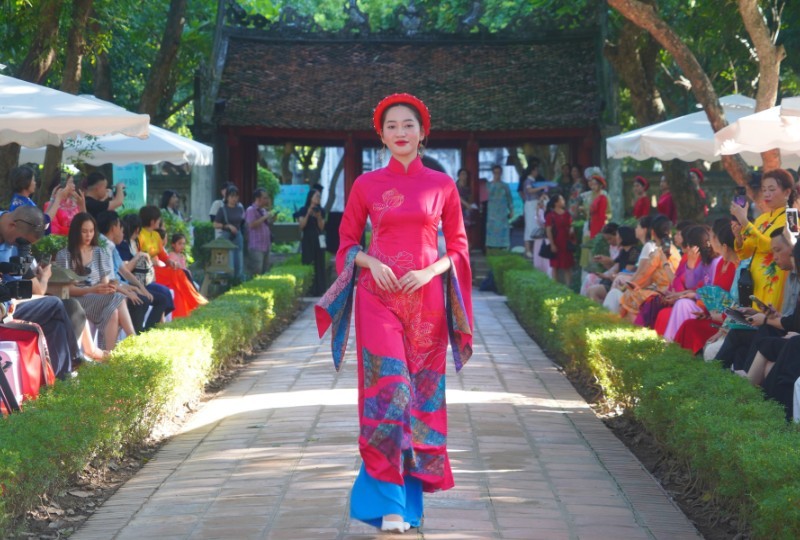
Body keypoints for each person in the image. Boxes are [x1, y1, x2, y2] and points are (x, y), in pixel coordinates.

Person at [315, 93, 473, 534]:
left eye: (408, 125)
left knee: (420, 400)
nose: (400, 132)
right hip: (377, 298)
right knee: (391, 393)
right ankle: (386, 503)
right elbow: (346, 244)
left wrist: (430, 271)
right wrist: (370, 262)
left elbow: (459, 249)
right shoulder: (365, 185)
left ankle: (408, 505)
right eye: (391, 126)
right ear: (381, 136)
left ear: (422, 133)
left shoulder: (442, 186)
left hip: (426, 305)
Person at [54, 213, 135, 351]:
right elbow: (67, 290)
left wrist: (109, 287)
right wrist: (91, 289)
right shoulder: (64, 255)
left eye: (91, 231)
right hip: (77, 300)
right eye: (84, 231)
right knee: (119, 298)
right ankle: (132, 338)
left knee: (113, 312)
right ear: (76, 231)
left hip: (98, 298)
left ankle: (108, 355)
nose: (88, 235)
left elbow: (104, 282)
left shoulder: (99, 252)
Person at [97, 211, 172, 332]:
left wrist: (140, 288)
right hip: (110, 288)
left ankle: (143, 332)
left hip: (119, 285)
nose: (122, 231)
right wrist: (130, 289)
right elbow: (109, 280)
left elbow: (125, 272)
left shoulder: (111, 246)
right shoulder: (103, 246)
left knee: (157, 298)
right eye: (120, 227)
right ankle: (138, 334)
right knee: (142, 300)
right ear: (113, 227)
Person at [730, 168, 793, 312]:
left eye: (772, 189)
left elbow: (772, 246)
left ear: (787, 192)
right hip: (754, 282)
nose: (766, 194)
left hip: (775, 280)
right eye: (764, 190)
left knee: (768, 320)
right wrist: (739, 238)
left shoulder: (792, 217)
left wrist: (745, 222)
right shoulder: (762, 218)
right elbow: (745, 253)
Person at [673, 219, 739, 353]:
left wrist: (719, 317)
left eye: (711, 237)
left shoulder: (735, 265)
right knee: (688, 324)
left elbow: (735, 302)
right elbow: (709, 294)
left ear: (720, 242)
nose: (709, 241)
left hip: (728, 321)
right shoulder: (721, 263)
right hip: (715, 317)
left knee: (690, 324)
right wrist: (707, 314)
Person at [138, 206, 207, 319]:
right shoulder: (140, 236)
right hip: (149, 272)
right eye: (158, 219)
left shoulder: (156, 235)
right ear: (152, 221)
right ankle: (196, 302)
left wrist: (170, 262)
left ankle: (183, 312)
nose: (160, 221)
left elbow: (162, 255)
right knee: (178, 274)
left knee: (177, 275)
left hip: (158, 269)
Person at [618, 215, 681, 322]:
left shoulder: (658, 252)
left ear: (652, 233)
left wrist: (626, 287)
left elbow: (643, 275)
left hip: (664, 294)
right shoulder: (674, 250)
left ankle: (632, 327)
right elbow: (647, 278)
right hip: (672, 292)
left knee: (628, 295)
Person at [586, 226, 639, 303]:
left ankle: (601, 310)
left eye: (617, 235)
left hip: (623, 285)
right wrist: (604, 273)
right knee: (589, 290)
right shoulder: (623, 251)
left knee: (593, 291)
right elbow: (615, 267)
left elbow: (626, 272)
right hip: (615, 281)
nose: (616, 238)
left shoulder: (634, 252)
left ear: (622, 237)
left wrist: (612, 276)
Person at [294, 189, 327, 295]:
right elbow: (301, 226)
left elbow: (321, 227)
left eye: (319, 197)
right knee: (308, 261)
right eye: (316, 196)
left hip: (318, 239)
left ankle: (319, 289)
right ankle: (309, 289)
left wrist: (319, 217)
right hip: (308, 239)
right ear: (310, 197)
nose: (318, 198)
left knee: (319, 263)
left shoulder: (321, 210)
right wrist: (308, 213)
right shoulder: (303, 210)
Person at [213, 186, 245, 280]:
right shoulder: (222, 209)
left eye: (236, 196)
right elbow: (215, 224)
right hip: (227, 236)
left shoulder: (240, 208)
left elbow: (243, 221)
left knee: (239, 258)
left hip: (238, 235)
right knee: (229, 260)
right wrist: (227, 226)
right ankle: (230, 279)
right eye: (232, 196)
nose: (234, 199)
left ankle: (238, 279)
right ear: (227, 197)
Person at [544, 193, 574, 285]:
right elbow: (548, 230)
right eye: (562, 200)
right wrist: (552, 244)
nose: (564, 201)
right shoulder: (550, 215)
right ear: (556, 203)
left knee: (567, 266)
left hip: (566, 242)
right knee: (555, 266)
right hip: (556, 242)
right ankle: (555, 286)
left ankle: (569, 286)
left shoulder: (567, 214)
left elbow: (571, 225)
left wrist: (572, 229)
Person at [521, 163, 547, 258]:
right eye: (536, 170)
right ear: (532, 171)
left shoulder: (533, 181)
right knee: (529, 226)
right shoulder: (528, 181)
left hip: (535, 204)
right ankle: (527, 249)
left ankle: (533, 249)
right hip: (530, 204)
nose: (537, 172)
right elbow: (529, 191)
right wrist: (541, 187)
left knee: (536, 225)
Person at [244, 188, 273, 276]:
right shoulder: (251, 210)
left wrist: (271, 218)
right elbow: (251, 225)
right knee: (256, 270)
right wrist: (264, 217)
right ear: (258, 199)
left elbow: (266, 224)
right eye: (265, 198)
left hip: (266, 245)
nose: (267, 200)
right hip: (256, 246)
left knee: (266, 270)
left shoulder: (263, 210)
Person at [485, 164, 513, 249]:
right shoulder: (488, 185)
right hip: (492, 211)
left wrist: (511, 210)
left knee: (503, 228)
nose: (497, 175)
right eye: (495, 173)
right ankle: (490, 245)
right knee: (492, 228)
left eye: (499, 173)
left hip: (502, 210)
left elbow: (509, 198)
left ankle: (503, 245)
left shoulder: (505, 185)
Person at [587, 174, 609, 239]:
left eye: (595, 184)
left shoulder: (602, 198)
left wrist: (602, 227)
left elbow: (602, 215)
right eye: (592, 184)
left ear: (600, 185)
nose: (593, 186)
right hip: (593, 224)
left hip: (599, 225)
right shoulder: (594, 198)